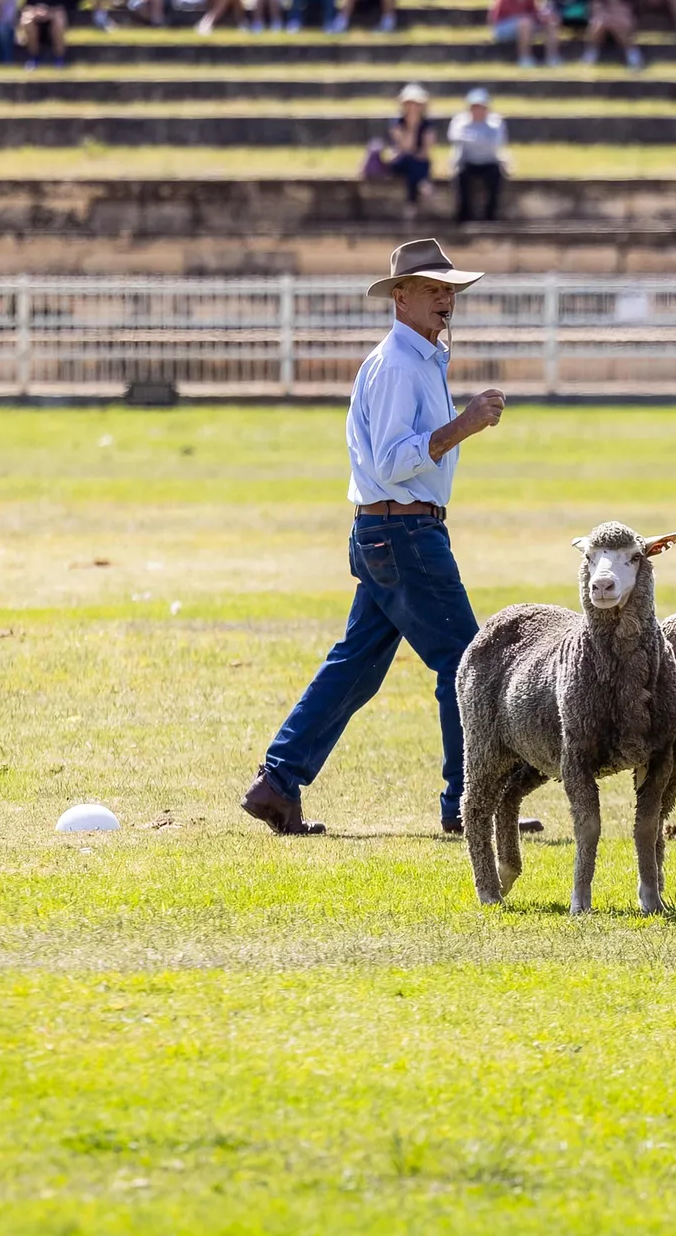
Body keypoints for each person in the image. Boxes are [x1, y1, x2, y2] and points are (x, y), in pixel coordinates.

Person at [240, 239, 525, 839]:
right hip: (404, 531)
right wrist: (465, 425)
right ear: (400, 297)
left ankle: (278, 781)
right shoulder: (398, 365)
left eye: (449, 289)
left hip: (387, 532)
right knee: (465, 663)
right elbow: (394, 462)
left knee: (357, 666)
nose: (446, 298)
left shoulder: (415, 360)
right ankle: (468, 803)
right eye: (432, 288)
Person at [365, 82, 436, 212]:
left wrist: (416, 125)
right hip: (400, 161)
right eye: (409, 103)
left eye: (416, 104)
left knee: (416, 165)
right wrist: (412, 127)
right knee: (410, 162)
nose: (412, 107)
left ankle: (411, 205)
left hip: (416, 162)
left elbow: (425, 151)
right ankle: (421, 186)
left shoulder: (427, 124)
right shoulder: (397, 123)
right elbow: (406, 147)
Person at [449, 87, 509, 222]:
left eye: (481, 107)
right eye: (474, 107)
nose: (477, 110)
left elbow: (496, 144)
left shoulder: (496, 123)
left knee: (496, 177)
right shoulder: (459, 122)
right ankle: (464, 215)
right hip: (468, 161)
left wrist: (474, 140)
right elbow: (456, 140)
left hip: (489, 162)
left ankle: (491, 215)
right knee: (460, 177)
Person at [488, 0, 559, 68]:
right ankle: (525, 58)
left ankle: (552, 57)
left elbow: (535, 12)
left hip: (526, 24)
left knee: (551, 20)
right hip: (502, 27)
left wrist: (544, 16)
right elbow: (495, 15)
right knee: (525, 22)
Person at [582, 0, 641, 70]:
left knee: (622, 22)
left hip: (621, 22)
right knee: (598, 22)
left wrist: (610, 7)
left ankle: (632, 54)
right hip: (604, 21)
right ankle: (591, 53)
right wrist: (611, 10)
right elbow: (596, 9)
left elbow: (626, 12)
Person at [15, 0, 67, 67]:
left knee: (59, 20)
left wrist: (47, 14)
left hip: (52, 25)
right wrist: (36, 13)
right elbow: (26, 8)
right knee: (27, 20)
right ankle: (34, 57)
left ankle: (59, 58)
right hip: (36, 24)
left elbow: (60, 10)